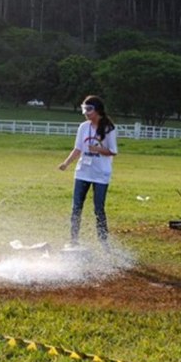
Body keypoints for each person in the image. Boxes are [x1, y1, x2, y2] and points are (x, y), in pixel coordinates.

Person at [58, 95, 118, 249]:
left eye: (89, 110)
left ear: (97, 110)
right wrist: (66, 163)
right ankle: (74, 239)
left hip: (100, 174)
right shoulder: (83, 127)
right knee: (76, 207)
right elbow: (78, 148)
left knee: (99, 208)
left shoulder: (109, 128)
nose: (86, 113)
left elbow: (113, 151)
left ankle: (103, 241)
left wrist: (98, 149)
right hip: (83, 171)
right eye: (84, 109)